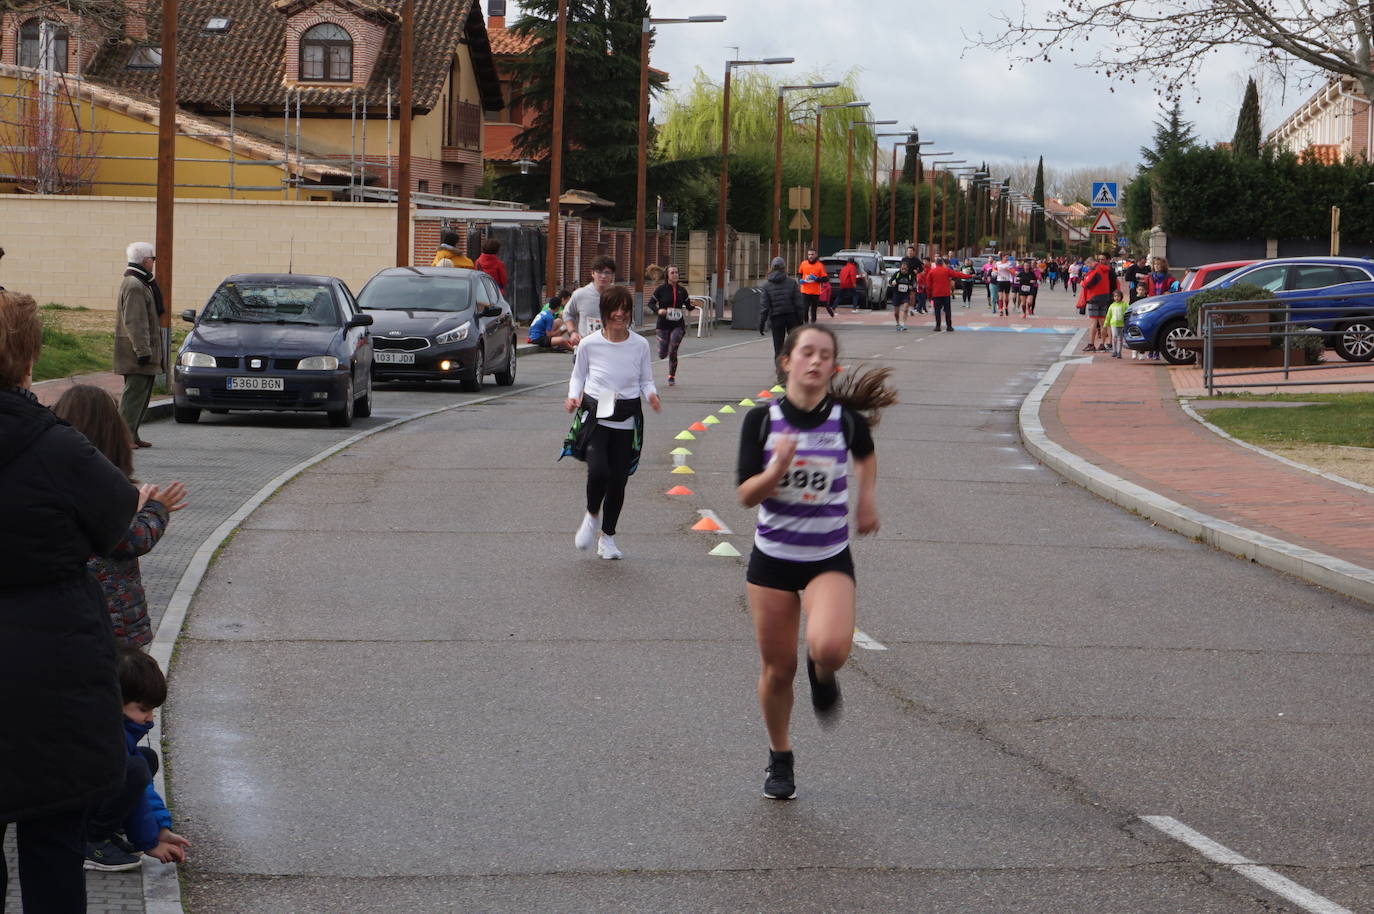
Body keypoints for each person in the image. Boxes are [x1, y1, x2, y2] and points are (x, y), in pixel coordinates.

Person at [1, 289, 139, 912]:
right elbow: (116, 518)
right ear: (27, 360)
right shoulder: (59, 448)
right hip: (51, 672)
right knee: (54, 842)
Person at [736, 324, 895, 800]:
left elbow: (865, 457)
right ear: (787, 361)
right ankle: (779, 756)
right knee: (776, 669)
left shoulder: (845, 422)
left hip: (826, 555)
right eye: (807, 352)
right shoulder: (761, 422)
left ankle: (821, 673)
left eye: (825, 355)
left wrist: (865, 501)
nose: (815, 361)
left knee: (829, 649)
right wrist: (777, 470)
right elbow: (746, 495)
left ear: (833, 366)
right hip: (773, 557)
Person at [52, 385, 189, 647]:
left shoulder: (51, 468)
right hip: (110, 618)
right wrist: (155, 509)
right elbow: (130, 539)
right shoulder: (99, 478)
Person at [562, 285, 661, 560]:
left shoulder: (639, 344)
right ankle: (592, 514)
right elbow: (578, 376)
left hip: (628, 411)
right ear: (604, 312)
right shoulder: (590, 343)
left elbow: (646, 379)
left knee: (619, 479)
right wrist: (573, 397)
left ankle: (608, 537)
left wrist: (651, 395)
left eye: (624, 310)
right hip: (599, 406)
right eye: (614, 309)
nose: (619, 314)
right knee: (598, 470)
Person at [84, 647, 192, 872]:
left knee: (145, 759)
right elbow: (136, 783)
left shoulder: (117, 725)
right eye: (143, 709)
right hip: (75, 808)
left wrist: (159, 828)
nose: (149, 718)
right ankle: (92, 840)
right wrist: (149, 842)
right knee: (136, 769)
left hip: (90, 793)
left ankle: (108, 828)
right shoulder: (107, 733)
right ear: (115, 701)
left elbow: (144, 791)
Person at [116, 242, 164, 449]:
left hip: (141, 350)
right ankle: (123, 436)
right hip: (136, 352)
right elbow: (135, 321)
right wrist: (143, 351)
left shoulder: (139, 282)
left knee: (142, 394)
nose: (153, 263)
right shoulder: (135, 285)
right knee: (134, 394)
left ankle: (132, 434)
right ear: (146, 260)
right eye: (153, 259)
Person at [648, 264, 695, 386]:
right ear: (667, 275)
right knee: (663, 354)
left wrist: (693, 305)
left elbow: (689, 307)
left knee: (673, 349)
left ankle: (671, 376)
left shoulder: (682, 290)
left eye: (676, 272)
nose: (675, 274)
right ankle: (662, 350)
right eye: (672, 272)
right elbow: (651, 303)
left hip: (678, 324)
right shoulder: (661, 290)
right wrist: (658, 311)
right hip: (663, 324)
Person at [562, 255, 617, 348]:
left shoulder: (618, 296)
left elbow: (629, 322)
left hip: (610, 347)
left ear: (612, 275)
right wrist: (572, 332)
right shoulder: (580, 294)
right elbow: (567, 314)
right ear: (593, 273)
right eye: (599, 272)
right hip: (585, 347)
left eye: (607, 272)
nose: (603, 276)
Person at [758, 256, 805, 357]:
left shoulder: (766, 286)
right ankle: (793, 367)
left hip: (776, 318)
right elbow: (799, 304)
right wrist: (801, 321)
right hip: (792, 317)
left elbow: (764, 307)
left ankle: (780, 369)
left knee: (778, 347)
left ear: (771, 268)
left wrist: (762, 323)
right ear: (784, 268)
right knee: (794, 345)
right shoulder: (792, 283)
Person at [1080, 253, 1118, 352]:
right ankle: (1103, 344)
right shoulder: (1105, 270)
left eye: (1088, 265)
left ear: (1091, 263)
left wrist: (1082, 282)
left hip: (1094, 298)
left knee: (1093, 322)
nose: (1088, 267)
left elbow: (1088, 283)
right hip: (1105, 298)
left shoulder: (1096, 270)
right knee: (1103, 322)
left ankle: (1091, 344)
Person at [924, 258, 973, 332]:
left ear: (936, 264)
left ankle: (938, 326)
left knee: (937, 311)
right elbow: (958, 274)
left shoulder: (932, 272)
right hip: (945, 294)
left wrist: (929, 296)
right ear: (942, 263)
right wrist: (969, 276)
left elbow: (928, 285)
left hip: (936, 294)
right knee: (947, 310)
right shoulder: (946, 271)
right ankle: (949, 326)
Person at [797, 250, 828, 323]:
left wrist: (816, 279)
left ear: (816, 255)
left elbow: (826, 279)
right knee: (805, 308)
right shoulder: (803, 264)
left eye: (812, 254)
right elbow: (799, 274)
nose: (810, 256)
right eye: (809, 254)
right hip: (805, 291)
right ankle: (805, 323)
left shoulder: (820, 265)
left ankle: (813, 323)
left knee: (814, 309)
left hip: (815, 291)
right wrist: (800, 280)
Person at [888, 259, 916, 331]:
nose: (903, 270)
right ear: (900, 268)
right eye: (902, 269)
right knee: (896, 313)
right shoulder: (897, 274)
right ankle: (898, 323)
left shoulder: (909, 275)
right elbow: (890, 281)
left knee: (906, 308)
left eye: (905, 269)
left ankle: (904, 324)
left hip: (905, 294)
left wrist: (911, 286)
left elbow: (913, 283)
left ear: (907, 269)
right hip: (897, 293)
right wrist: (892, 283)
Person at [1105, 290, 1128, 358]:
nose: (1116, 298)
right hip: (1114, 324)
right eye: (1115, 296)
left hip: (1121, 324)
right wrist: (1106, 323)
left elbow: (1128, 311)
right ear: (1113, 297)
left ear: (1121, 297)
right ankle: (1114, 351)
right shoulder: (1112, 306)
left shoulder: (1125, 304)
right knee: (1114, 337)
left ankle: (1119, 352)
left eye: (1118, 296)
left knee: (1120, 339)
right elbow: (1108, 315)